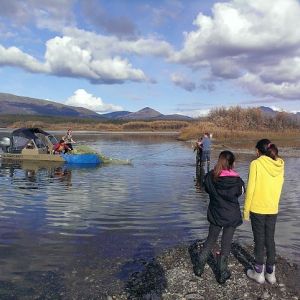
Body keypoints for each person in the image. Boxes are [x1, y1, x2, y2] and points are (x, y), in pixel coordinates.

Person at [194, 150, 245, 284]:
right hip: (231, 216)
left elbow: (205, 188)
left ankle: (199, 267)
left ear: (219, 161)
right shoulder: (237, 180)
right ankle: (222, 272)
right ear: (232, 164)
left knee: (211, 239)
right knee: (226, 242)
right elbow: (240, 193)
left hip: (216, 213)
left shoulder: (210, 176)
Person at [244, 139, 284, 284]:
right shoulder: (280, 164)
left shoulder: (256, 163)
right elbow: (279, 187)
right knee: (270, 240)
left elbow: (250, 189)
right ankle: (271, 274)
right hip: (272, 208)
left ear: (260, 151)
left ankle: (258, 273)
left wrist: (245, 211)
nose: (255, 152)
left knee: (259, 240)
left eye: (256, 150)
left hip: (257, 208)